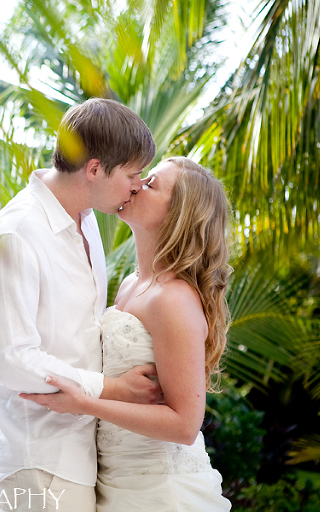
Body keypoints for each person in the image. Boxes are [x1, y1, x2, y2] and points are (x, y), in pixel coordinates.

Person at [0, 98, 162, 512]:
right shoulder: (17, 234)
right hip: (38, 453)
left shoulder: (87, 219)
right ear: (94, 169)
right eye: (132, 174)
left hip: (81, 446)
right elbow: (10, 359)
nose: (137, 185)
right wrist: (112, 391)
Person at [21, 156, 233, 511]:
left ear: (177, 215)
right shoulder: (131, 284)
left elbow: (184, 424)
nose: (135, 185)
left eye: (150, 184)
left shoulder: (173, 298)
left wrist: (85, 403)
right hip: (115, 480)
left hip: (161, 489)